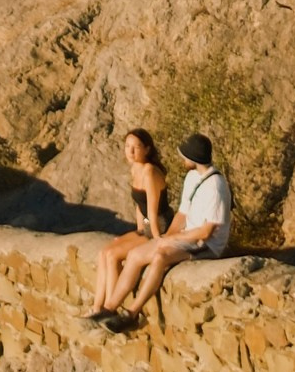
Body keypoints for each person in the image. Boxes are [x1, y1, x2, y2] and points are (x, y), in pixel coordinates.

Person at [99, 131, 234, 326]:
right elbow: (182, 214)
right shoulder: (192, 177)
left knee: (160, 257)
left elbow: (206, 232)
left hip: (206, 244)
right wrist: (165, 237)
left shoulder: (215, 187)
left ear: (193, 157)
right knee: (136, 255)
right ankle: (109, 309)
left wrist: (170, 241)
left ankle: (132, 313)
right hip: (188, 236)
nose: (182, 159)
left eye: (185, 156)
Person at [90, 127, 170, 316]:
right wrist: (138, 230)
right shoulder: (135, 168)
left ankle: (111, 308)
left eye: (136, 147)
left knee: (113, 256)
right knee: (104, 252)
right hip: (146, 224)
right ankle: (96, 307)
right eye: (127, 146)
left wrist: (155, 238)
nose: (131, 151)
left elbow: (151, 208)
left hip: (158, 224)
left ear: (147, 149)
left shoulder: (150, 172)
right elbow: (139, 205)